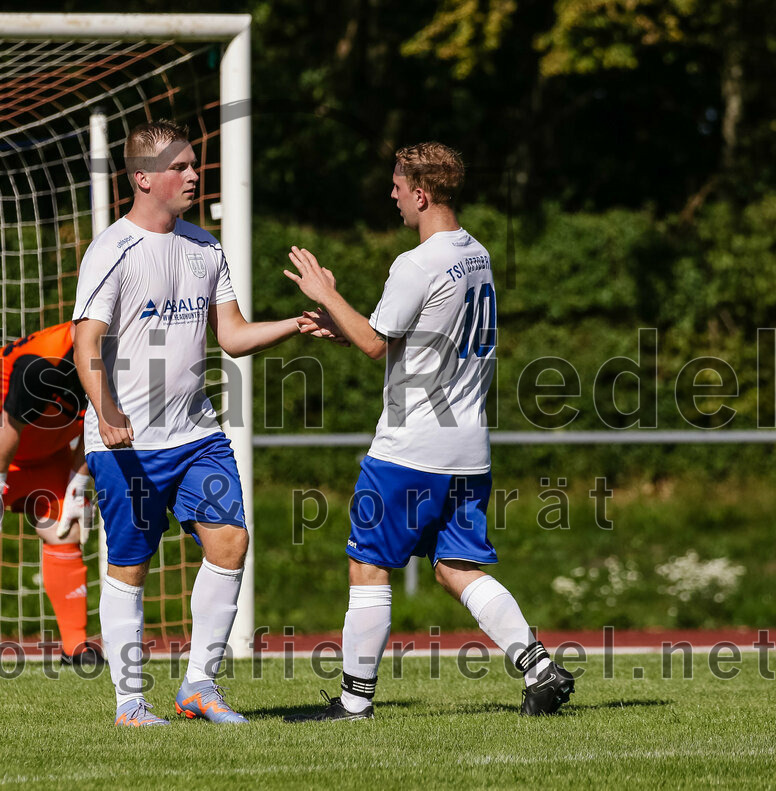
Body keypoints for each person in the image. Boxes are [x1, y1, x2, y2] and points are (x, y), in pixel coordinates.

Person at [283, 142, 575, 719]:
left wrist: (327, 295)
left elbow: (374, 345)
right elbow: (408, 336)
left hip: (411, 446)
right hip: (468, 447)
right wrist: (348, 328)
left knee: (368, 563)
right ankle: (540, 668)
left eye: (397, 184)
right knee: (456, 567)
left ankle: (353, 703)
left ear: (421, 193)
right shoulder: (478, 254)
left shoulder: (415, 262)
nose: (391, 193)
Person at [72, 120, 322, 727]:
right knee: (130, 564)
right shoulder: (113, 250)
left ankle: (198, 687)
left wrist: (295, 324)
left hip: (198, 435)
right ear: (143, 178)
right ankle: (129, 702)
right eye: (180, 167)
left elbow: (232, 337)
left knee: (230, 540)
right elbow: (86, 346)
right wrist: (108, 414)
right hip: (126, 443)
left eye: (193, 164)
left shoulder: (206, 247)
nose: (193, 174)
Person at [0, 322, 103, 669]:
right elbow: (8, 426)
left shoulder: (124, 353)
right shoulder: (42, 364)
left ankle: (75, 647)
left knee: (66, 528)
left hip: (45, 439)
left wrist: (76, 487)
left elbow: (99, 425)